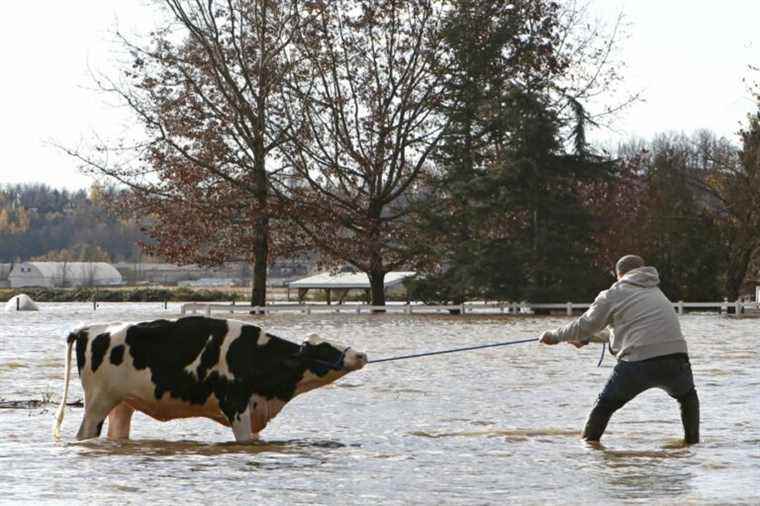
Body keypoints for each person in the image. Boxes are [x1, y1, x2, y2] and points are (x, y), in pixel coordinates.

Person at [539, 254, 700, 445]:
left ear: (619, 274)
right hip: (677, 360)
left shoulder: (614, 293)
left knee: (604, 405)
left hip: (638, 364)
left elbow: (585, 324)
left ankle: (588, 447)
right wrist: (588, 338)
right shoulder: (656, 292)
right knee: (687, 397)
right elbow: (627, 331)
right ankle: (691, 444)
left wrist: (554, 336)